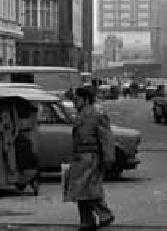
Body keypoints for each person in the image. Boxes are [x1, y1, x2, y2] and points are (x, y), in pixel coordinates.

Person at [70, 86, 115, 230]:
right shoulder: (80, 114)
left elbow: (106, 138)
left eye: (77, 100)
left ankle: (105, 215)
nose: (74, 103)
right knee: (80, 191)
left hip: (92, 157)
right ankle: (86, 221)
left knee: (90, 190)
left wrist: (108, 158)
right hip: (80, 157)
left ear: (86, 99)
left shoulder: (97, 114)